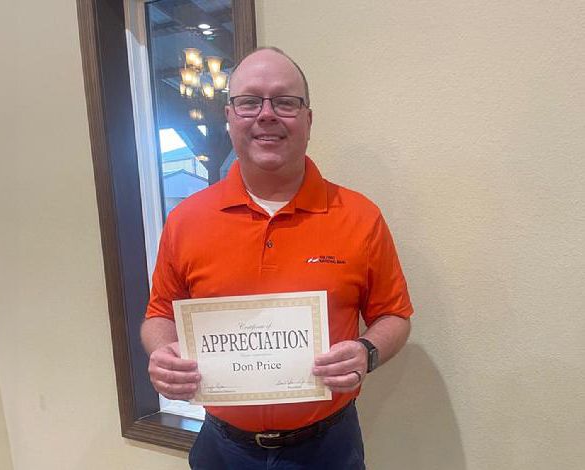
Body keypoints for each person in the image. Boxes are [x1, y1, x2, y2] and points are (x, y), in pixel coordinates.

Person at [141, 47, 414, 469]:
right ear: (230, 117)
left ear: (308, 119)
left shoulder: (360, 217)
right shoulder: (186, 220)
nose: (266, 114)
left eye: (285, 102)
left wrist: (367, 351)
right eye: (249, 101)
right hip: (221, 449)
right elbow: (159, 314)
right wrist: (164, 356)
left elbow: (394, 315)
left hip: (328, 449)